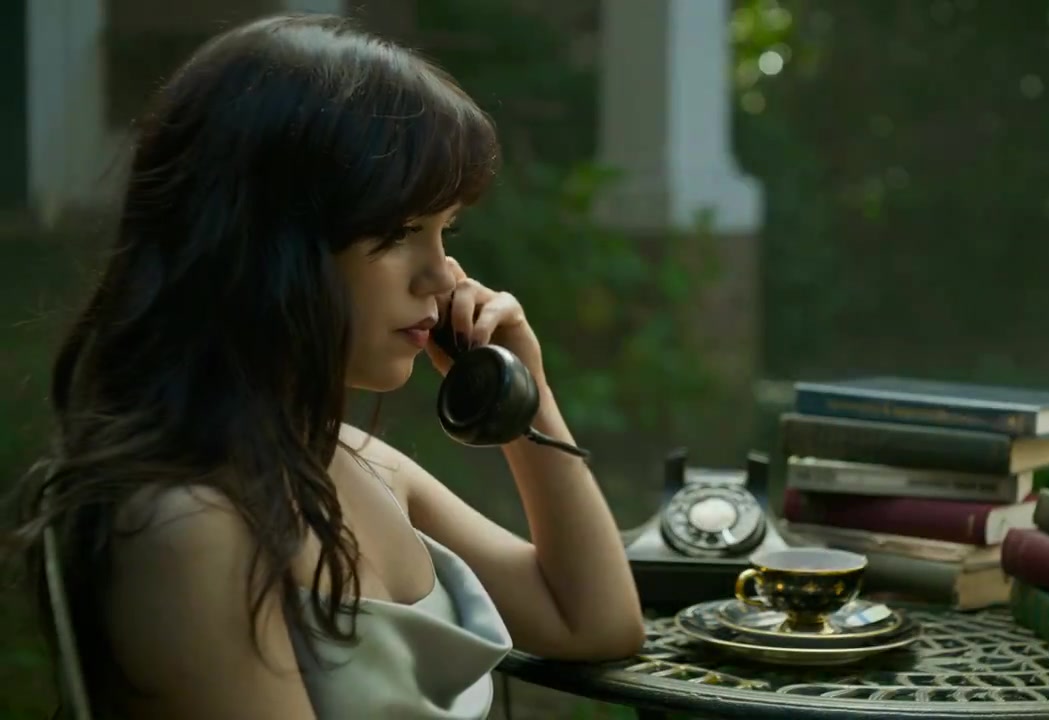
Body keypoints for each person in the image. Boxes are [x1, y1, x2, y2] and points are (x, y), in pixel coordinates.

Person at [6, 12, 646, 719]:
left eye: (444, 231)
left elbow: (594, 622)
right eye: (399, 232)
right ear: (266, 245)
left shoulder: (358, 463)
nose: (442, 276)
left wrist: (525, 393)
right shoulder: (189, 525)